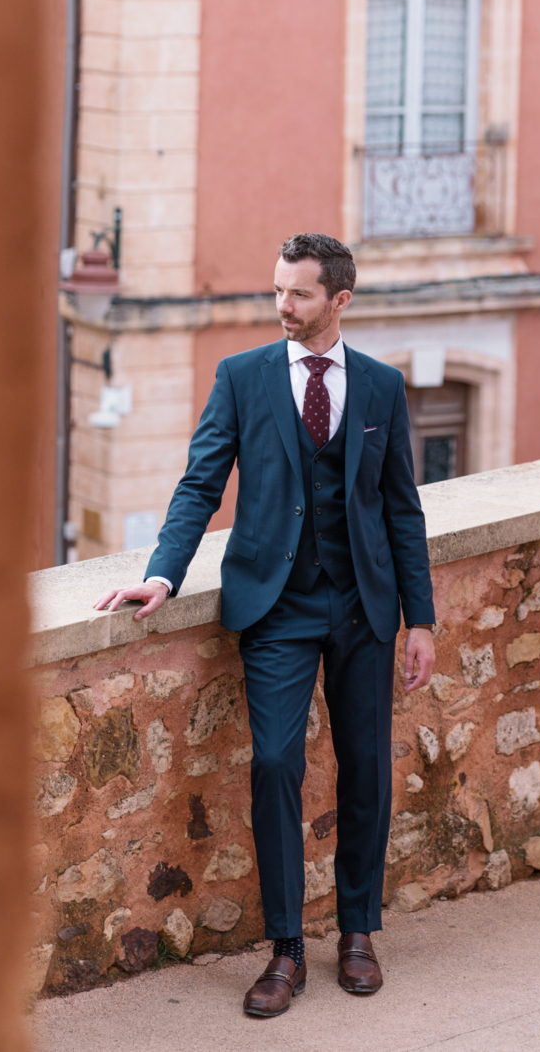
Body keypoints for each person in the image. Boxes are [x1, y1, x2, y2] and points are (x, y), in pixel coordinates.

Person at [94, 232, 436, 1017]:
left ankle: (357, 931)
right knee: (276, 763)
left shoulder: (381, 387)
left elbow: (401, 510)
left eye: (300, 295)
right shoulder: (242, 378)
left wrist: (421, 618)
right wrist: (161, 573)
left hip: (362, 608)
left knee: (366, 771)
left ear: (339, 300)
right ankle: (285, 949)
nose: (282, 306)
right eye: (278, 291)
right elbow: (199, 483)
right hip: (275, 608)